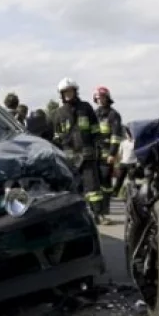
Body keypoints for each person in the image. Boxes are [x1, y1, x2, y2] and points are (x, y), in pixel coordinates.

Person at [52, 78, 106, 224]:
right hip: (69, 157)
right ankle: (78, 217)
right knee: (74, 187)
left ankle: (98, 214)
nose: (68, 94)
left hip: (87, 153)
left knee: (93, 188)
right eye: (65, 92)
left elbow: (95, 130)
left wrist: (98, 147)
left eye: (70, 91)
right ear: (62, 95)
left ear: (75, 91)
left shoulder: (86, 107)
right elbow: (57, 137)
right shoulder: (58, 113)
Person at [92, 86, 123, 218]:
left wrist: (112, 154)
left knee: (106, 183)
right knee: (95, 184)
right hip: (95, 154)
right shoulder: (94, 114)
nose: (100, 100)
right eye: (98, 98)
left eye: (102, 98)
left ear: (107, 98)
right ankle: (96, 213)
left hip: (107, 155)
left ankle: (104, 211)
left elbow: (116, 136)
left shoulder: (113, 115)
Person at [112, 126, 136, 199]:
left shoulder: (135, 143)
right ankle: (114, 193)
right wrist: (116, 163)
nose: (128, 135)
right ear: (126, 134)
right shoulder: (123, 143)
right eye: (127, 134)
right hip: (123, 163)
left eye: (130, 134)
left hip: (132, 163)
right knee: (119, 179)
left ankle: (133, 194)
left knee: (132, 180)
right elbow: (120, 153)